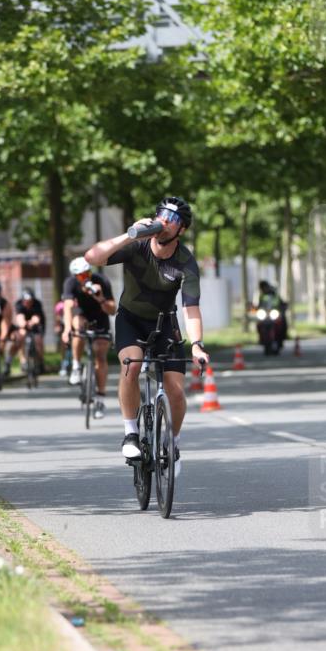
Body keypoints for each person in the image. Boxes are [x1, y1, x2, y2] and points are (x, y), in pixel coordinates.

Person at [84, 195, 210, 473]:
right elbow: (92, 257)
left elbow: (191, 308)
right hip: (131, 319)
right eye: (162, 215)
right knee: (133, 365)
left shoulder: (185, 262)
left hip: (166, 324)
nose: (165, 222)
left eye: (173, 219)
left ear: (182, 230)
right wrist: (128, 236)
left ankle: (172, 443)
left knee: (176, 391)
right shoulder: (136, 247)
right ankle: (131, 432)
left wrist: (198, 345)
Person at [62, 256, 116, 418]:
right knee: (77, 326)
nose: (85, 278)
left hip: (100, 317)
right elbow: (68, 307)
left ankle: (100, 398)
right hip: (82, 315)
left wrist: (100, 298)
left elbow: (112, 310)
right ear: (75, 276)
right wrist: (66, 330)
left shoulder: (101, 281)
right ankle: (77, 366)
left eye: (87, 273)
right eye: (81, 276)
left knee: (100, 354)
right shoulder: (70, 284)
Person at [5, 287, 46, 375]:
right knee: (19, 338)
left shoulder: (37, 304)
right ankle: (13, 362)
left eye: (30, 301)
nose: (28, 303)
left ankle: (40, 362)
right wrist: (23, 323)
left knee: (38, 341)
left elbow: (37, 318)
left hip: (36, 325)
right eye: (26, 301)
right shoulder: (19, 304)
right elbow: (19, 317)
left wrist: (32, 322)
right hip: (24, 325)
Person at [54, 300, 71, 378]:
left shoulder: (73, 303)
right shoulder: (60, 306)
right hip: (63, 326)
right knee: (63, 344)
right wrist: (57, 327)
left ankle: (74, 363)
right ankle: (64, 364)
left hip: (73, 324)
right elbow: (57, 318)